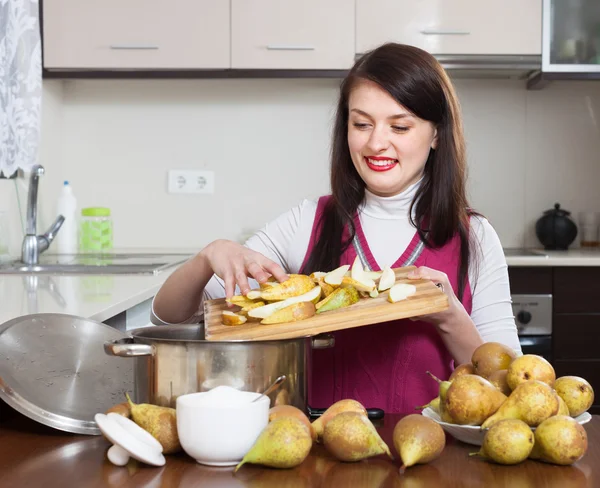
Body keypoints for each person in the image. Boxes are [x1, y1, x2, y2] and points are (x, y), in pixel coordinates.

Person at [152, 42, 520, 414]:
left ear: (437, 134)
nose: (377, 142)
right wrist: (208, 257)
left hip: (431, 461)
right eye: (361, 123)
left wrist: (448, 315)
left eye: (400, 126)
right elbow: (171, 317)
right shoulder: (306, 221)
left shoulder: (475, 236)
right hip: (310, 458)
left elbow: (508, 383)